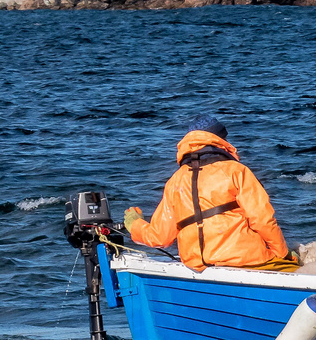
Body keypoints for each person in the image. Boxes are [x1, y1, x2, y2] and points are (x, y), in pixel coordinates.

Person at [123, 114, 299, 273]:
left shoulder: (175, 181)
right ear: (220, 141)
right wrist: (281, 253)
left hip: (198, 264)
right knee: (298, 265)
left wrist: (135, 224)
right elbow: (263, 220)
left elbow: (160, 237)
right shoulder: (236, 171)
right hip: (246, 259)